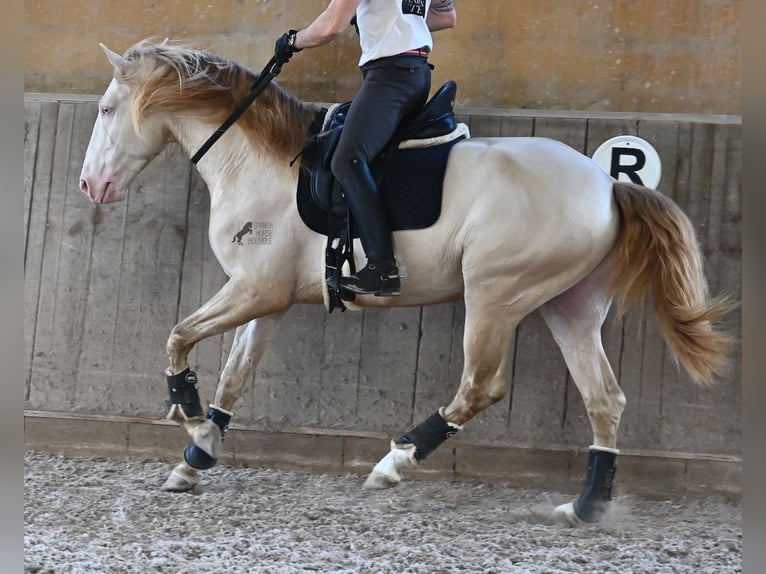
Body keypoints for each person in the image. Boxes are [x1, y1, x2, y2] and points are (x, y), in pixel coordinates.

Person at [275, 0, 457, 296]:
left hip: (390, 78)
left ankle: (382, 267)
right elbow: (446, 17)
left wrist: (293, 41)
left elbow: (330, 26)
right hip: (417, 73)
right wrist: (384, 20)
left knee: (347, 161)